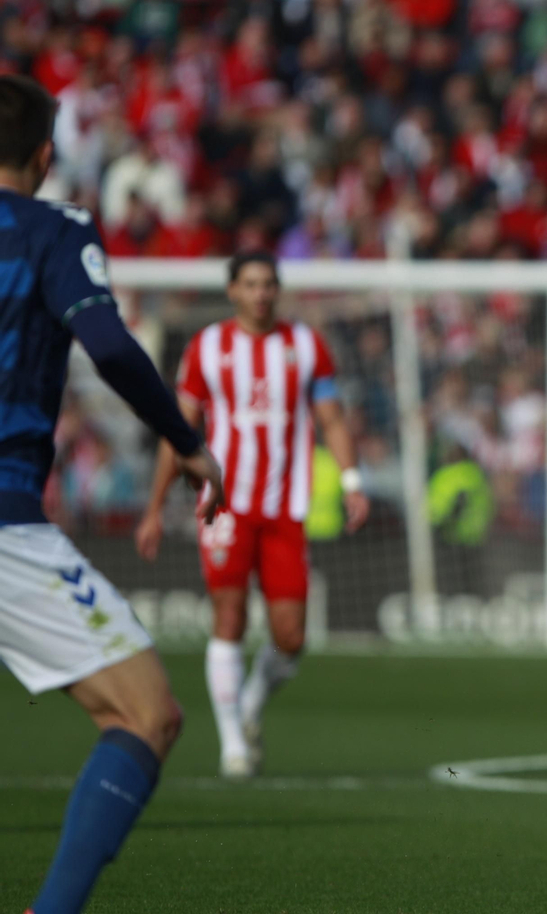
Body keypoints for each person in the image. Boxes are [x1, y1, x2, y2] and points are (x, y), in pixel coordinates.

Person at [0, 73, 226, 914]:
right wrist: (187, 442)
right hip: (5, 524)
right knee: (144, 714)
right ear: (44, 155)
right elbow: (111, 346)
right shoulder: (51, 230)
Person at [135, 252, 370, 778]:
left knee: (290, 638)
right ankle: (232, 747)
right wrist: (153, 508)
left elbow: (331, 420)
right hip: (224, 507)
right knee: (229, 618)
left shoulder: (306, 346)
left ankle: (246, 709)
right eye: (251, 284)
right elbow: (179, 433)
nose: (261, 293)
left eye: (269, 284)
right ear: (233, 290)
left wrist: (353, 480)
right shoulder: (207, 348)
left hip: (286, 508)